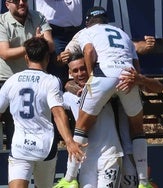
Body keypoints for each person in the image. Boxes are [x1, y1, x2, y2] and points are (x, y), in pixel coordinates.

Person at [56, 6, 154, 188]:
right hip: (128, 76)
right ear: (106, 20)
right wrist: (137, 82)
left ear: (87, 22)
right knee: (138, 129)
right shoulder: (122, 33)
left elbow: (89, 52)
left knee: (81, 128)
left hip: (104, 74)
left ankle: (69, 179)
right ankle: (143, 182)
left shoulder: (87, 32)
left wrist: (92, 74)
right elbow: (135, 63)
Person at [0, 37, 85, 188]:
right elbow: (58, 113)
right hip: (45, 147)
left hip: (21, 147)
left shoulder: (11, 80)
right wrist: (69, 141)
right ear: (47, 58)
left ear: (26, 57)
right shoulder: (51, 81)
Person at [55, 53, 124, 188]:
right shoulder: (68, 97)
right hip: (85, 159)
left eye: (83, 68)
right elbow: (53, 102)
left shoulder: (105, 88)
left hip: (109, 155)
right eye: (75, 70)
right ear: (70, 73)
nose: (80, 73)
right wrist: (69, 85)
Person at [0, 0, 54, 149]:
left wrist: (35, 43)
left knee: (35, 120)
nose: (22, 3)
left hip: (35, 78)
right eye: (16, 1)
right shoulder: (1, 21)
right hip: (7, 79)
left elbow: (50, 45)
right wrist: (34, 43)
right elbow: (5, 53)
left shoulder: (39, 16)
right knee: (11, 123)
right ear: (7, 4)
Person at [34, 0, 82, 87]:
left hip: (76, 29)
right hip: (53, 30)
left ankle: (78, 98)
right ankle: (57, 98)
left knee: (80, 70)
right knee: (57, 74)